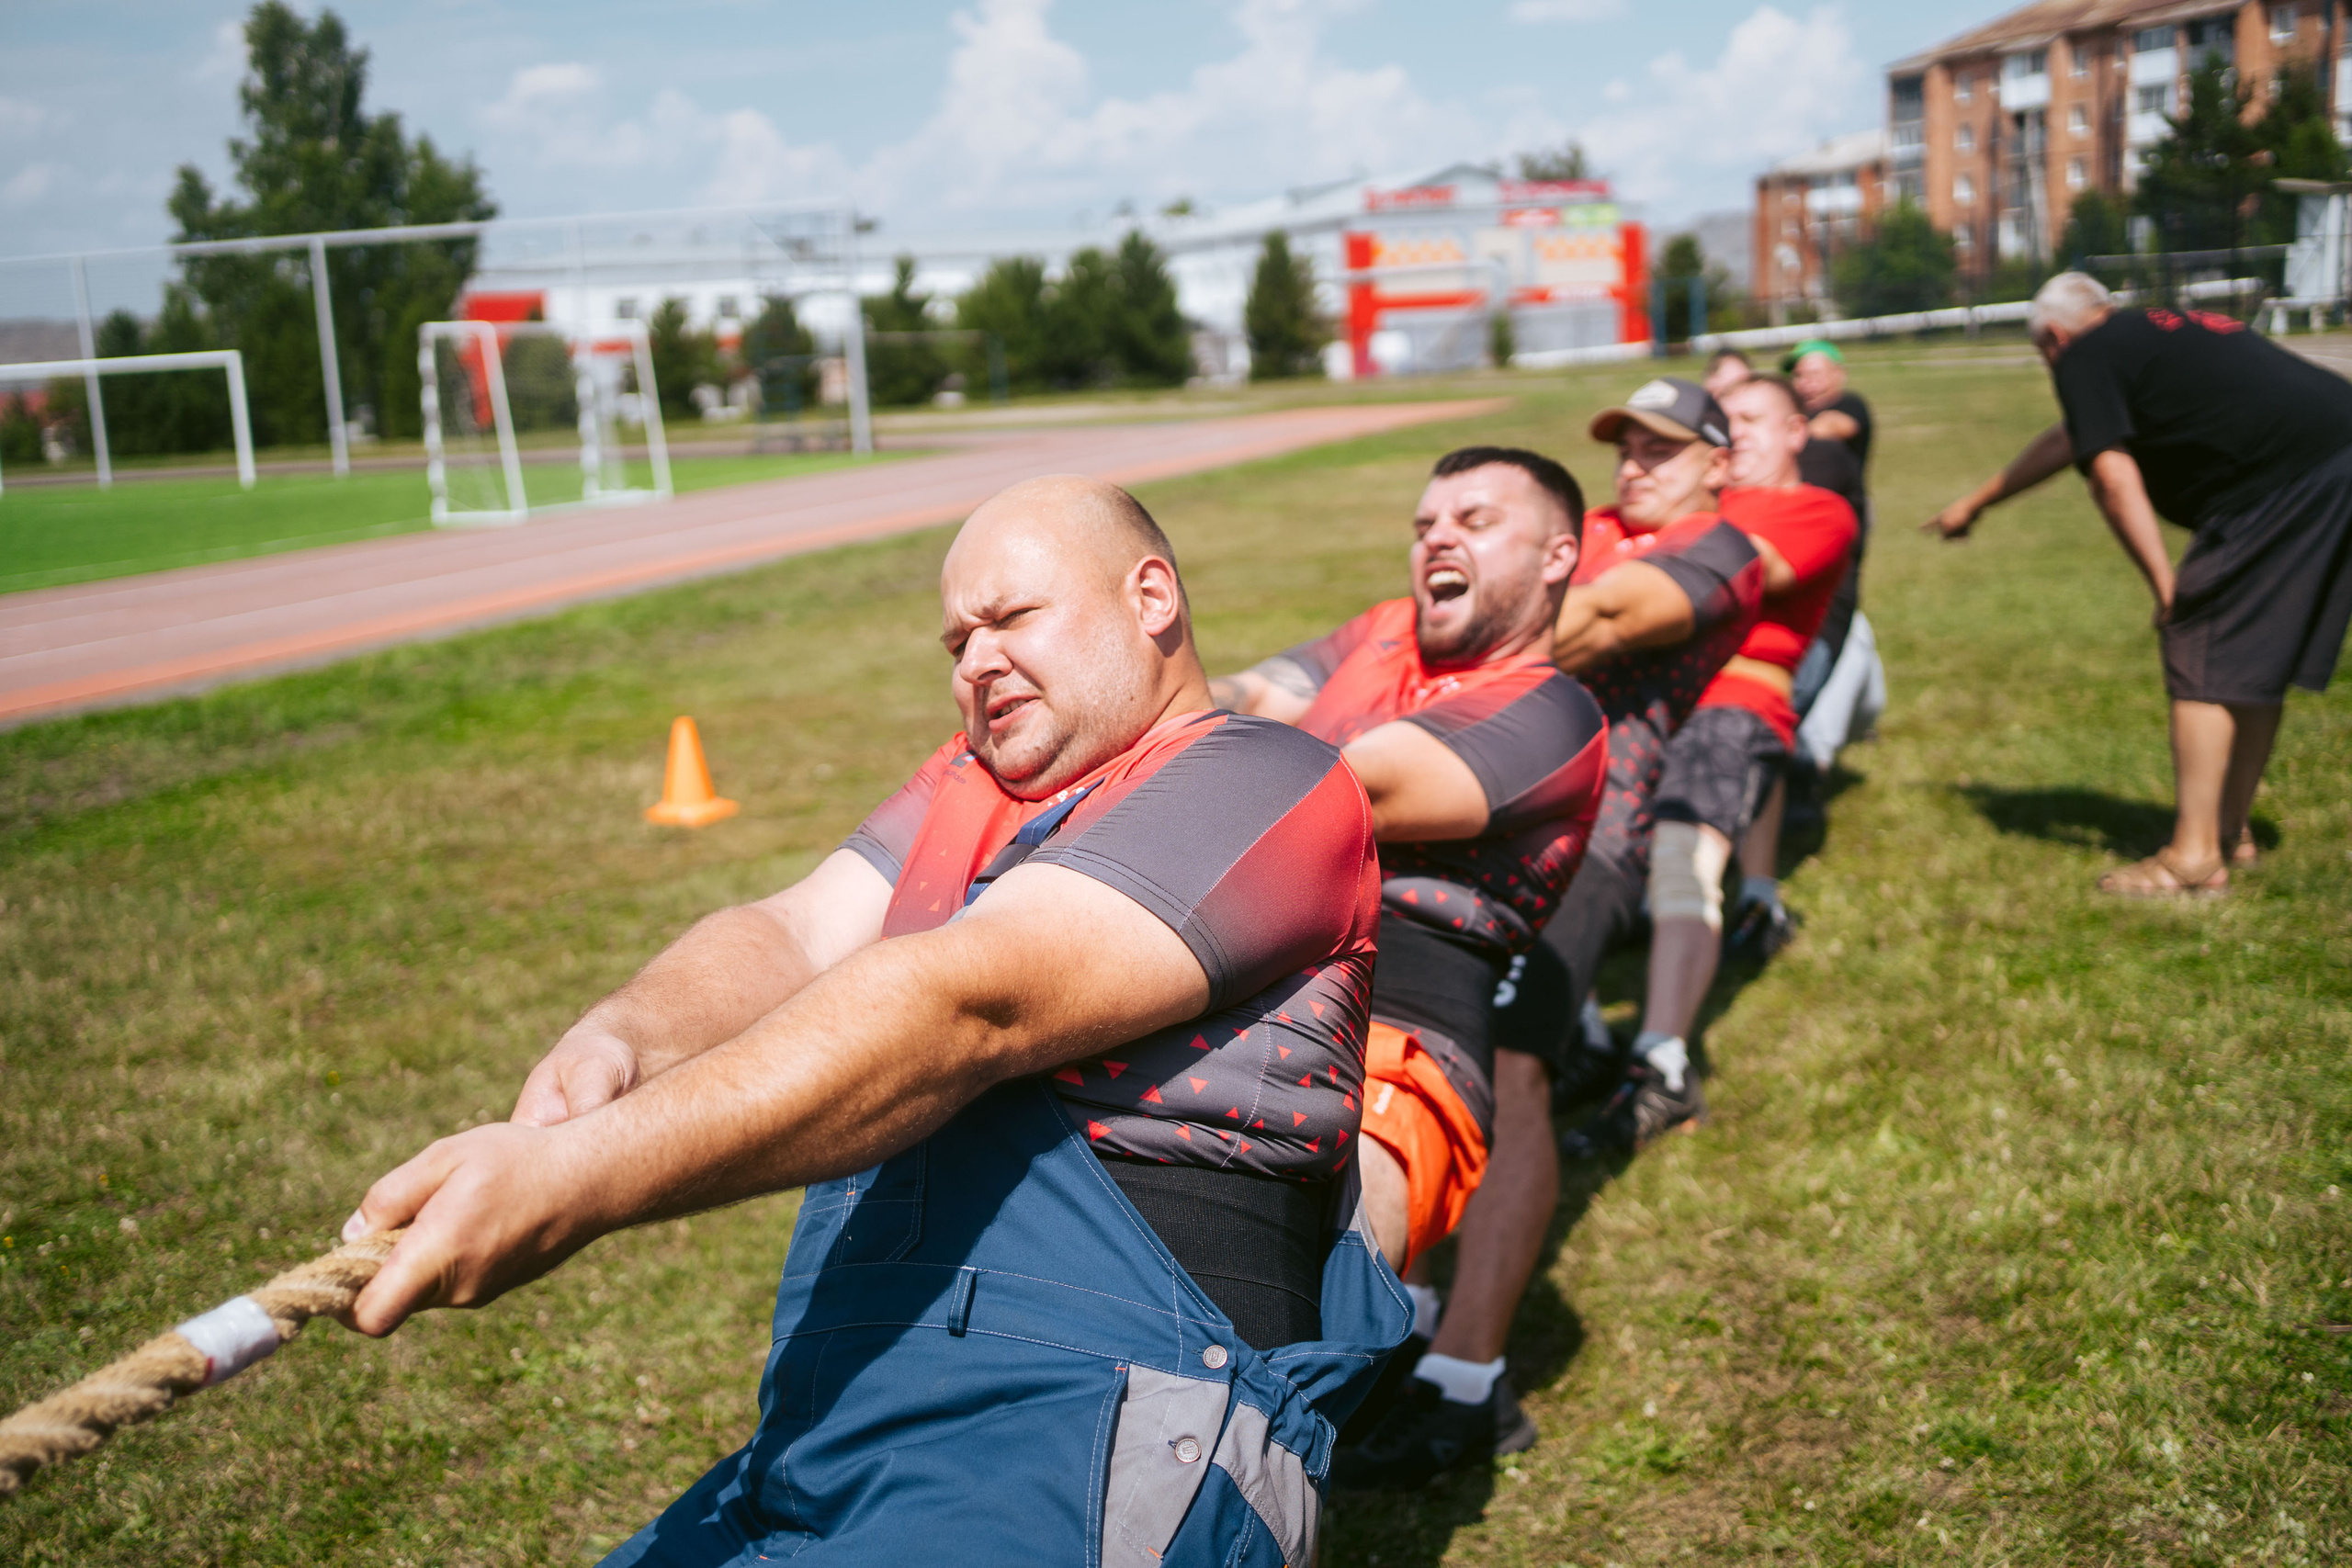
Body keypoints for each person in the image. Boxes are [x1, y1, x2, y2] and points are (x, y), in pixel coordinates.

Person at [337, 475, 1409, 1568]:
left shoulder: (1264, 781)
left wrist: (580, 1180)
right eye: (955, 642)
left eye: (1010, 618)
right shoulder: (970, 785)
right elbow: (794, 933)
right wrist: (618, 1040)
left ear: (1150, 599)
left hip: (1089, 1432)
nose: (974, 661)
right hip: (834, 1435)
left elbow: (961, 1007)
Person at [1335, 380, 1765, 1487]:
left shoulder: (1721, 551)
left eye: (1664, 450)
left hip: (1584, 838)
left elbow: (1606, 622)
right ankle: (1411, 1316)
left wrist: (1469, 610)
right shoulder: (1586, 535)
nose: (1638, 465)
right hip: (1479, 813)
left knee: (1509, 1067)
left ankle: (1469, 1385)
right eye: (1626, 446)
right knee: (1442, 1061)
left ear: (1719, 464)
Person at [1210, 446, 1609, 1466]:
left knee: (1284, 1323)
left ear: (1558, 556)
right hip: (1254, 1003)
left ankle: (1438, 1380)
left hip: (1404, 1046)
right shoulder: (1382, 629)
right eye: (1427, 520)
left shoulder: (1550, 711)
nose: (1437, 536)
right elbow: (1248, 689)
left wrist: (1176, 762)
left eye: (1475, 520)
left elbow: (1352, 788)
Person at [1927, 271, 2352, 896]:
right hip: (2335, 446)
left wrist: (2165, 586)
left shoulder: (2082, 356)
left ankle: (2192, 856)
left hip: (2283, 477)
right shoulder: (2142, 332)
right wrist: (1978, 501)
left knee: (2201, 645)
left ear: (2051, 338)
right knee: (2253, 655)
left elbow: (2111, 478)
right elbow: (2075, 434)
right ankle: (2231, 833)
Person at [1559, 375, 1858, 1160]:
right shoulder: (1637, 516)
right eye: (1629, 452)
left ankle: (1661, 1059)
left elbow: (1722, 576)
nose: (1635, 466)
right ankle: (1583, 1032)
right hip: (1628, 701)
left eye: (1757, 418)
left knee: (1681, 858)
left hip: (1731, 699)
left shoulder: (1808, 511)